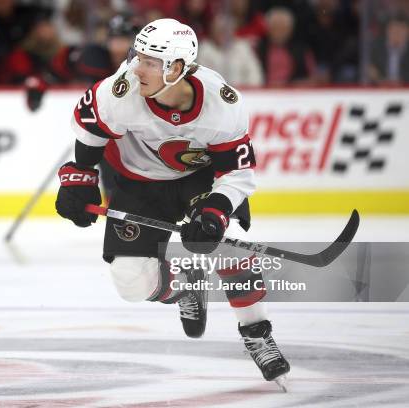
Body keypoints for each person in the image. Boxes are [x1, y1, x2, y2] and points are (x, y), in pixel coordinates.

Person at [54, 18, 290, 388]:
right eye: (138, 56)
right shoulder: (121, 90)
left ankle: (257, 333)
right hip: (137, 182)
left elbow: (238, 173)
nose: (137, 67)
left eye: (151, 61)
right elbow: (89, 128)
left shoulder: (223, 102)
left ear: (177, 68)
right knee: (130, 283)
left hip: (199, 178)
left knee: (225, 250)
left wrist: (216, 211)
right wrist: (80, 176)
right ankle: (185, 285)